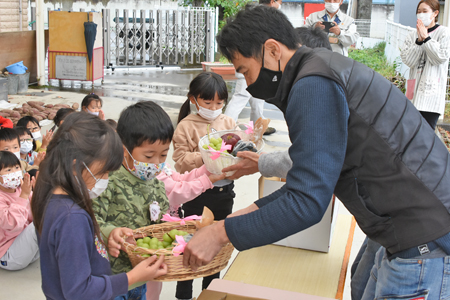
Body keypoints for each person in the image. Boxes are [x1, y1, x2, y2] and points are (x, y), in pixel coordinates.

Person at [183, 5, 450, 300]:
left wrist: (221, 234)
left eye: (245, 70)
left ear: (272, 51)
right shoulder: (321, 69)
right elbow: (304, 182)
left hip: (425, 237)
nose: (246, 83)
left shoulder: (313, 83)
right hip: (413, 227)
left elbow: (306, 202)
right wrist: (225, 226)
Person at [93, 100, 224, 300]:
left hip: (145, 276)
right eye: (148, 156)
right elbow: (92, 220)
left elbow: (161, 223)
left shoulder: (155, 183)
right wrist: (111, 232)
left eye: (163, 155)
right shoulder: (109, 180)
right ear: (124, 148)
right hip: (114, 279)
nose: (156, 164)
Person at [31, 112, 167, 300]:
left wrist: (110, 233)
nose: (105, 180)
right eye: (103, 173)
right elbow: (79, 291)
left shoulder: (52, 200)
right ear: (77, 166)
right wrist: (132, 277)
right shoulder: (72, 217)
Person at [173, 72, 235, 300]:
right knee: (190, 244)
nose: (214, 107)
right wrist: (207, 155)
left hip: (224, 192)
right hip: (196, 195)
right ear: (193, 99)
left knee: (215, 245)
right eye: (208, 102)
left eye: (219, 102)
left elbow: (234, 156)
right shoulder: (186, 126)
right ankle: (184, 295)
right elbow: (180, 162)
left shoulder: (228, 123)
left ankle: (210, 294)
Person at [222, 0, 281, 137]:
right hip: (250, 62)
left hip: (256, 63)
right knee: (241, 96)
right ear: (273, 1)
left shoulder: (252, 12)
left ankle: (258, 126)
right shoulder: (263, 16)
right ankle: (226, 126)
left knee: (258, 96)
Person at [400, 0, 450, 130]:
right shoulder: (411, 36)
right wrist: (419, 41)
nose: (421, 15)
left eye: (425, 11)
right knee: (410, 134)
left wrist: (427, 39)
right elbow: (409, 61)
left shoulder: (444, 33)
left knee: (426, 136)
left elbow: (440, 57)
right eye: (418, 12)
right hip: (413, 96)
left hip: (431, 97)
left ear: (435, 13)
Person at [0, 151, 38, 271]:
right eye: (8, 170)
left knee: (49, 217)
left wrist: (37, 196)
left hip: (28, 252)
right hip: (8, 256)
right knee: (40, 224)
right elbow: (11, 224)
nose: (15, 172)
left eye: (16, 167)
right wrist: (24, 196)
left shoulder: (21, 190)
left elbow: (33, 216)